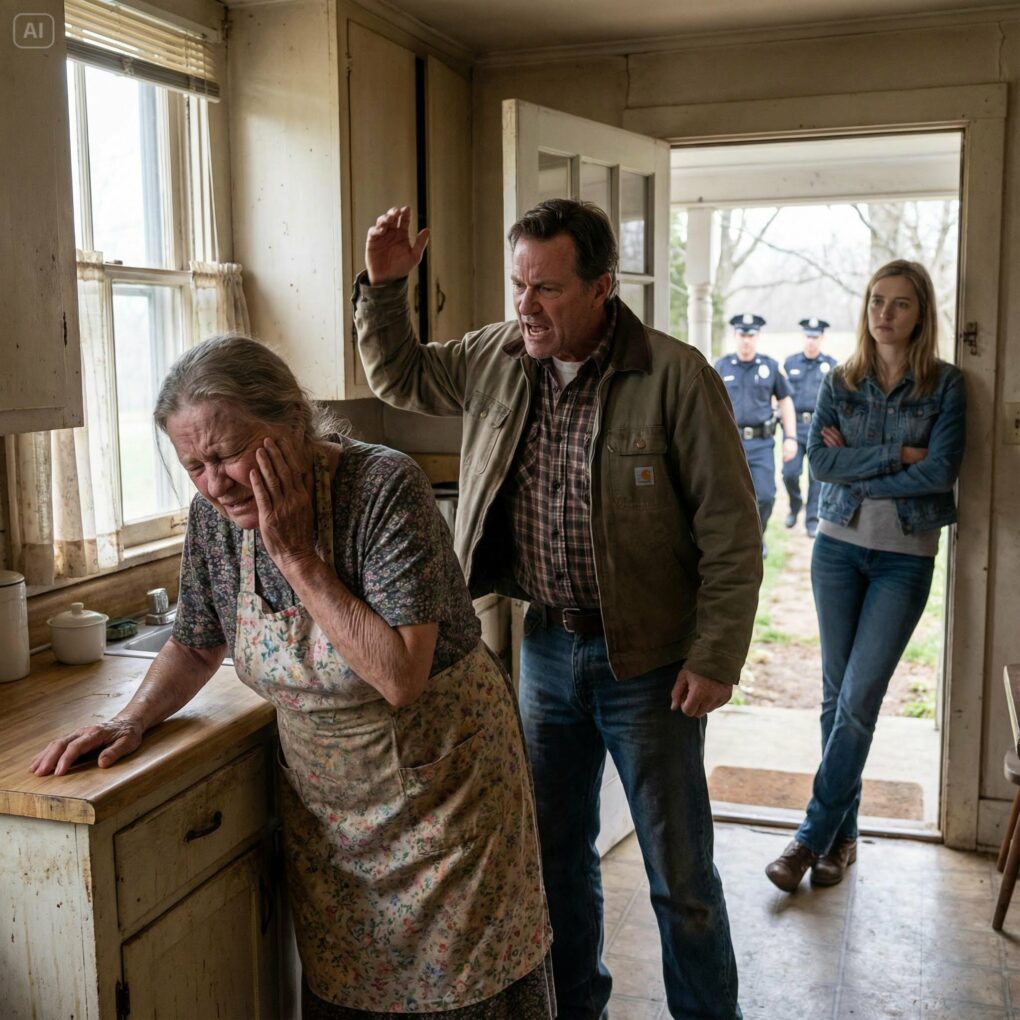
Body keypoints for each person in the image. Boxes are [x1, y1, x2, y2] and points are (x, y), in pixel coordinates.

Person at [30, 335, 555, 1020]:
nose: (214, 483)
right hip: (333, 823)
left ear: (295, 422)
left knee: (467, 994)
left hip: (445, 802)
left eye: (227, 454)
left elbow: (400, 675)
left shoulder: (382, 487)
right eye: (193, 466)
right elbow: (195, 643)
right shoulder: (214, 520)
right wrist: (130, 718)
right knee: (349, 992)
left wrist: (298, 557)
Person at [354, 200, 762, 1020]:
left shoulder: (675, 377)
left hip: (650, 661)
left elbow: (730, 531)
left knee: (680, 876)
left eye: (546, 288)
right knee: (555, 860)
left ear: (602, 286)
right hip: (545, 646)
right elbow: (400, 377)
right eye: (519, 285)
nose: (526, 306)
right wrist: (385, 288)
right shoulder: (498, 355)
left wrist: (716, 656)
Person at [765, 261, 965, 893]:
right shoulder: (840, 379)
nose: (884, 313)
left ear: (921, 312)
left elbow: (940, 472)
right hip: (837, 550)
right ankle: (841, 838)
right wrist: (897, 455)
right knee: (835, 700)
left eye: (900, 303)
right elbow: (820, 464)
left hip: (904, 558)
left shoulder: (946, 385)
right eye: (877, 300)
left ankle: (808, 839)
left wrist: (862, 464)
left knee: (858, 700)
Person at [714, 314, 797, 555]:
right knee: (727, 496)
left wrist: (790, 438)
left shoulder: (770, 366)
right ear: (735, 335)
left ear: (757, 336)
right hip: (730, 443)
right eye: (742, 334)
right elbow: (709, 403)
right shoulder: (722, 366)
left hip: (761, 443)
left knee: (766, 496)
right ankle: (737, 540)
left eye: (751, 335)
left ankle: (756, 536)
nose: (746, 340)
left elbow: (785, 401)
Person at [782, 317, 838, 537]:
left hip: (819, 428)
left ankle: (812, 520)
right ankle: (795, 504)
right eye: (808, 336)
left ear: (822, 338)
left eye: (815, 337)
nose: (811, 341)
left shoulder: (831, 365)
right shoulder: (790, 363)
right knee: (789, 473)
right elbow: (782, 397)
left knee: (816, 478)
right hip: (795, 427)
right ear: (803, 337)